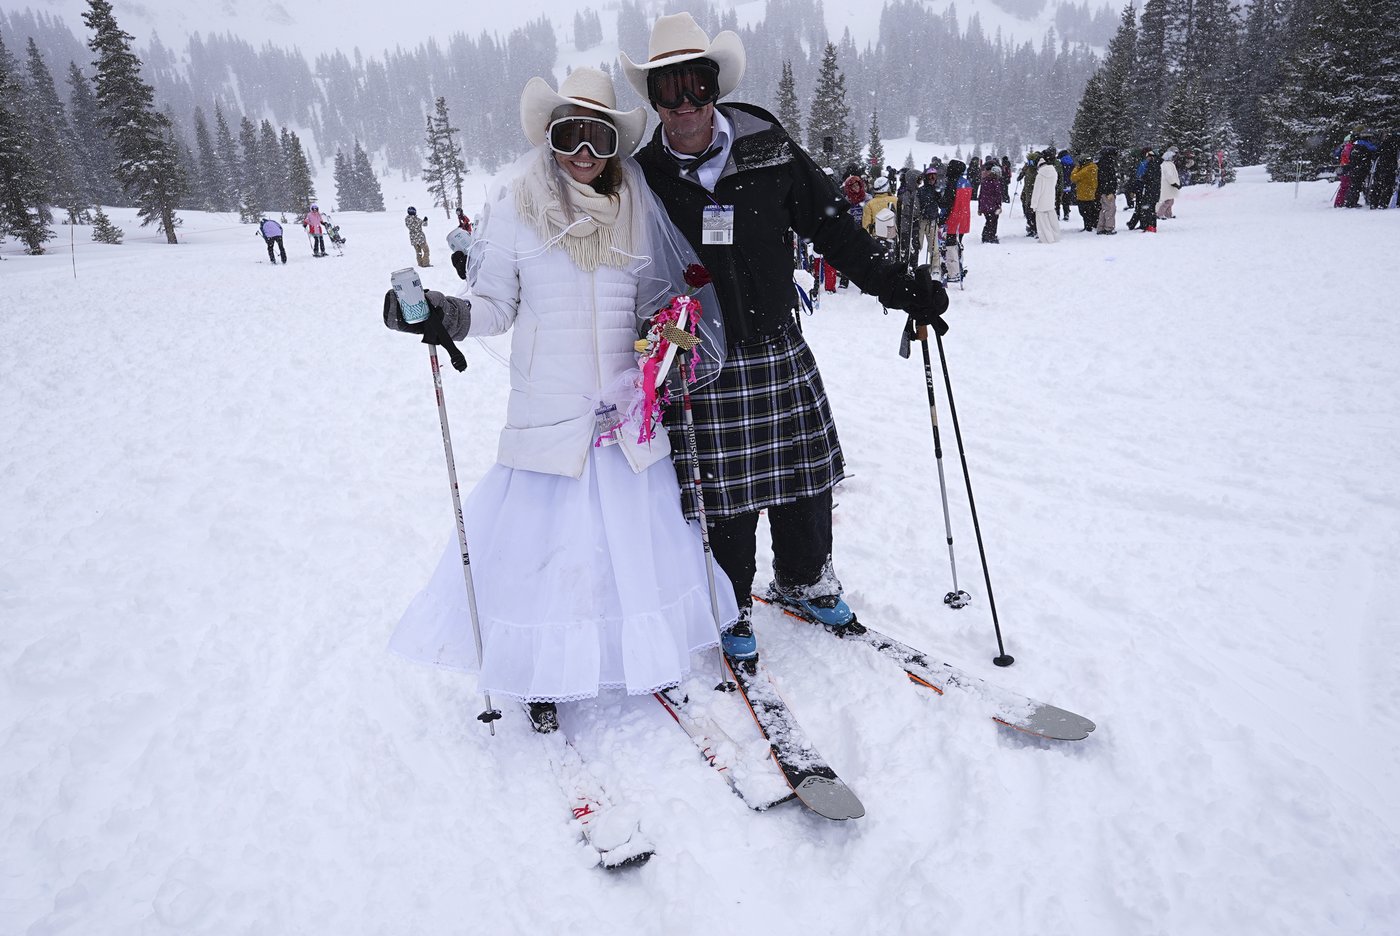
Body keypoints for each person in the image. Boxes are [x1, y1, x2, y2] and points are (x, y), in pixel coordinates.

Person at [383, 67, 737, 732]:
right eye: (568, 134)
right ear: (549, 138)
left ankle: (648, 656)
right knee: (551, 557)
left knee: (629, 550)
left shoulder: (637, 204)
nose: (582, 151)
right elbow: (493, 305)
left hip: (622, 412)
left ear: (612, 145)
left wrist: (668, 335)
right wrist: (442, 315)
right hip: (549, 413)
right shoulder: (516, 205)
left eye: (597, 137)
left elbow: (655, 300)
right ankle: (541, 671)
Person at [619, 12, 948, 653]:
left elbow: (833, 228)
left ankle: (804, 579)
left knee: (804, 476)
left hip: (776, 342)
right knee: (724, 495)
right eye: (668, 90)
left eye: (697, 87)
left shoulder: (766, 144)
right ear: (653, 98)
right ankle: (729, 602)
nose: (686, 106)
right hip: (700, 355)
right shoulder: (641, 176)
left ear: (715, 86)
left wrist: (901, 286)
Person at [938, 158, 971, 281]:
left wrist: (942, 218)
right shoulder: (966, 182)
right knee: (958, 244)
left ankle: (953, 272)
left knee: (949, 246)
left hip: (952, 219)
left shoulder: (952, 183)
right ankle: (959, 267)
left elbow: (947, 203)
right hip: (963, 219)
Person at [1030, 151, 1061, 243]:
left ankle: (1046, 239)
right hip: (1050, 200)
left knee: (1043, 224)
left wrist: (1033, 204)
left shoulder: (1040, 176)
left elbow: (1036, 192)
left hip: (1041, 203)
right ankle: (1055, 237)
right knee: (1052, 222)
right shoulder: (1054, 173)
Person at [1071, 153, 1099, 230]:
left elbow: (1073, 178)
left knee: (1084, 212)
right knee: (1090, 211)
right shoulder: (1093, 167)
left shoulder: (1086, 170)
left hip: (1084, 194)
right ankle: (1092, 225)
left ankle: (1088, 227)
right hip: (1090, 193)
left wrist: (1076, 168)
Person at [977, 163, 1004, 244]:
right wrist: (999, 205)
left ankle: (986, 236)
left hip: (985, 206)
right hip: (993, 206)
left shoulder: (984, 181)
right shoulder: (996, 183)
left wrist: (980, 207)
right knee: (993, 221)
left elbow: (981, 195)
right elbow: (998, 195)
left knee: (988, 221)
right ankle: (990, 236)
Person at [1095, 147, 1118, 235]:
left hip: (1102, 190)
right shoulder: (1108, 163)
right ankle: (1109, 228)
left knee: (1104, 209)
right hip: (1107, 190)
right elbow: (1108, 179)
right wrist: (1110, 191)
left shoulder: (1100, 163)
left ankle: (1101, 227)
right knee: (1111, 209)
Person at [1157, 148, 1181, 219]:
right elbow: (1169, 175)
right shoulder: (1167, 164)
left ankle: (1168, 214)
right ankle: (1160, 214)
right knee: (1168, 200)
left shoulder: (1168, 164)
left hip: (1168, 184)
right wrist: (1174, 183)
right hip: (1167, 184)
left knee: (1170, 200)